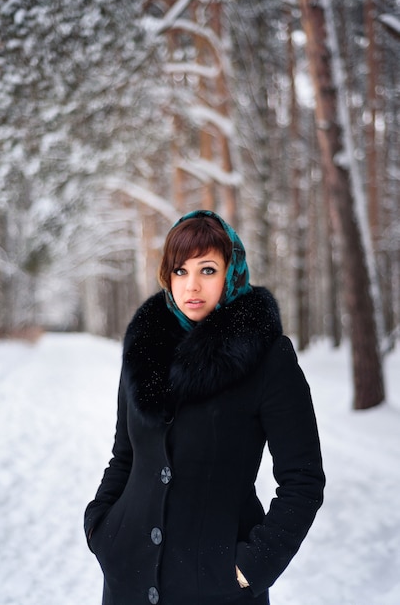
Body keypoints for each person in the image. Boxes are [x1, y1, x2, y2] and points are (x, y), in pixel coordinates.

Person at [84, 210, 325, 605]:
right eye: (180, 271)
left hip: (218, 586)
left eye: (207, 270)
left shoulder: (268, 358)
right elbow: (124, 456)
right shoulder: (144, 350)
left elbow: (303, 480)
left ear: (232, 272)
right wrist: (100, 526)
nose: (191, 285)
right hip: (127, 574)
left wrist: (254, 566)